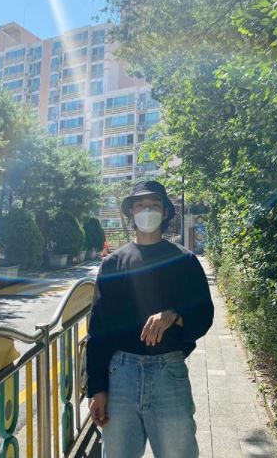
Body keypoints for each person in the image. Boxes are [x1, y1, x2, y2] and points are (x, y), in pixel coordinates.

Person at [86, 180, 214, 458]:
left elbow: (205, 315)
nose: (147, 210)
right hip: (120, 374)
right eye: (141, 205)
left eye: (155, 205)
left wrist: (173, 315)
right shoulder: (113, 264)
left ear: (165, 212)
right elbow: (98, 330)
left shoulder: (184, 260)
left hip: (169, 372)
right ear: (131, 212)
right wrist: (97, 388)